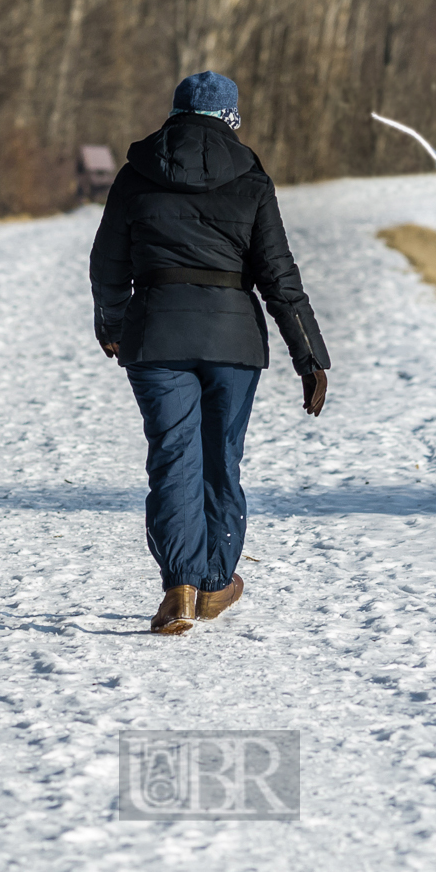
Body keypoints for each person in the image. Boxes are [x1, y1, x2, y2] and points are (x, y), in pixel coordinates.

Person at [89, 71, 330, 635]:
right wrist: (309, 355)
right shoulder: (250, 176)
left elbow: (107, 261)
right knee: (221, 458)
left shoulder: (135, 174)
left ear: (175, 112)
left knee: (175, 458)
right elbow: (278, 274)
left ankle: (180, 588)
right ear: (232, 118)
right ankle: (216, 582)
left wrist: (112, 323)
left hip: (156, 336)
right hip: (232, 341)